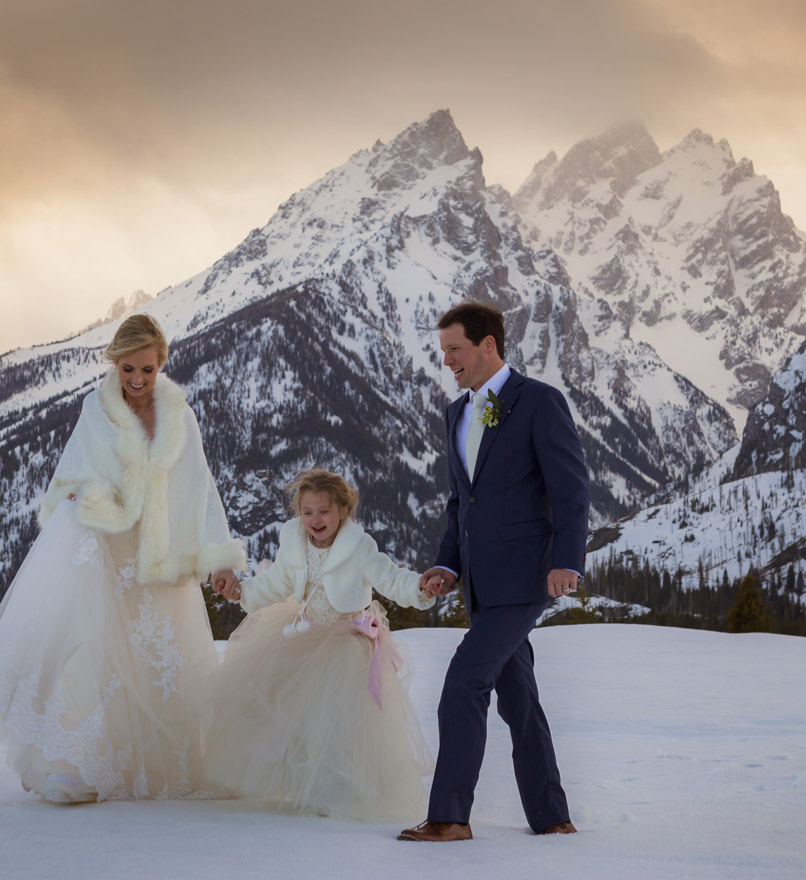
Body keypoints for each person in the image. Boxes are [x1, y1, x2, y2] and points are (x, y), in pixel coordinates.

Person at [0, 313, 246, 803]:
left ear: (161, 366)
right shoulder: (97, 408)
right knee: (96, 657)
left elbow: (200, 486)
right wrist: (78, 500)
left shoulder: (180, 415)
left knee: (160, 663)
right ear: (115, 364)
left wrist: (219, 558)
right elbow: (70, 473)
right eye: (127, 369)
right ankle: (77, 767)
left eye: (147, 370)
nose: (136, 380)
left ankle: (157, 768)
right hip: (109, 554)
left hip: (161, 560)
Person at [399, 301, 588, 842]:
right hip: (481, 582)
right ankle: (552, 816)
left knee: (464, 680)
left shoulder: (540, 402)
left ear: (488, 345)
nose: (448, 361)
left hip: (528, 575)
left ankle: (450, 817)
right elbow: (462, 502)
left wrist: (566, 561)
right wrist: (446, 565)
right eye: (443, 352)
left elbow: (571, 490)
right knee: (519, 698)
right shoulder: (457, 413)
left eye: (455, 350)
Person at [204, 469, 436, 820]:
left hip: (346, 647)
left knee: (341, 728)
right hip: (305, 638)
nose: (315, 520)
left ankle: (341, 795)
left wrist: (418, 588)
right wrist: (242, 592)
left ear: (343, 510)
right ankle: (304, 787)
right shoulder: (295, 542)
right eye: (307, 512)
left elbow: (390, 577)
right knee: (294, 716)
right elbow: (277, 583)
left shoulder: (359, 546)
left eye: (324, 511)